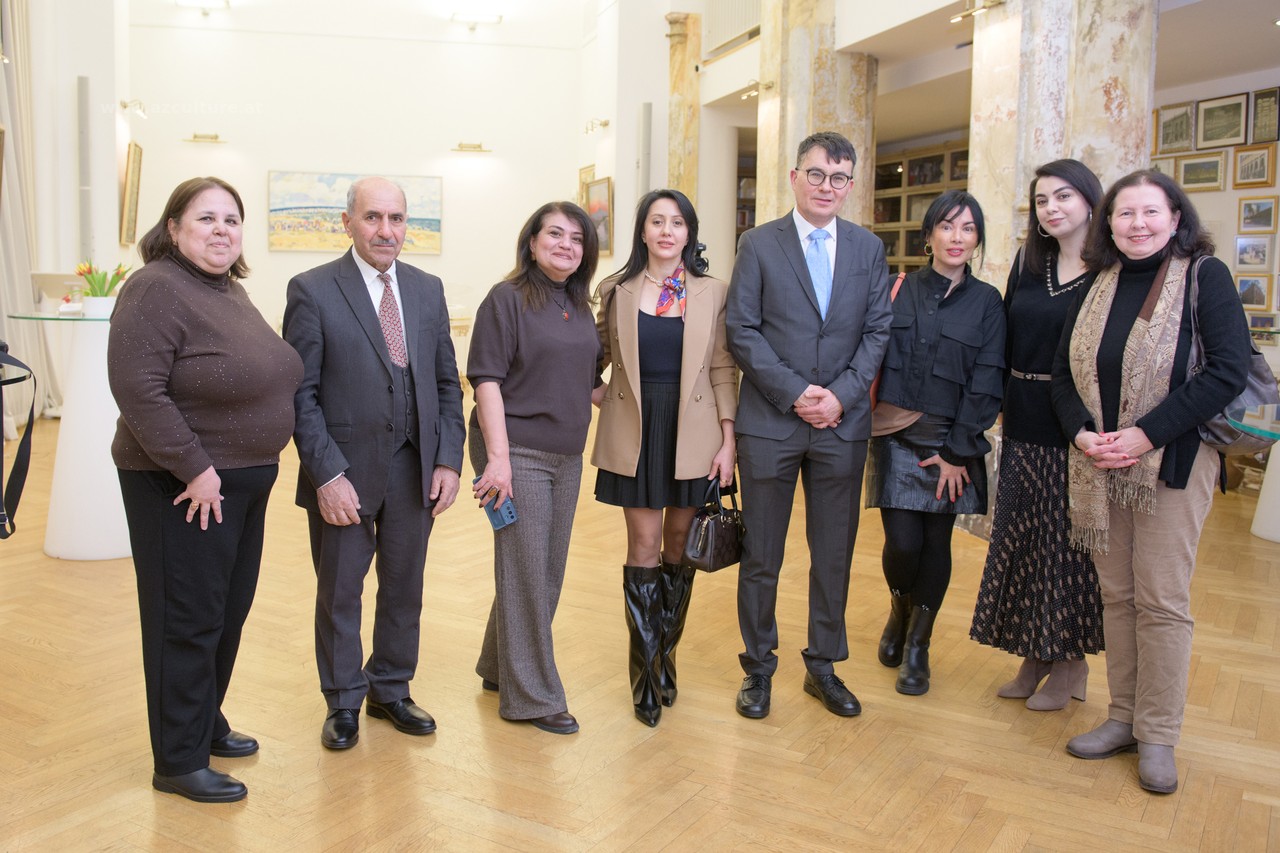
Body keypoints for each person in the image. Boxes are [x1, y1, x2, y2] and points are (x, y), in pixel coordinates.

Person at [1051, 170, 1250, 794]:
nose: (1137, 224)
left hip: (1172, 463)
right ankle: (1123, 718)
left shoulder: (1204, 276)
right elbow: (1063, 373)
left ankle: (1158, 733)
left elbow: (1226, 371)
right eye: (1125, 213)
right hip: (1099, 463)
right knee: (1118, 597)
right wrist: (1082, 434)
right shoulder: (1098, 284)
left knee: (1161, 601)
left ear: (1175, 217)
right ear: (1108, 223)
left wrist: (1145, 434)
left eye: (1150, 212)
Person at [109, 177, 303, 803]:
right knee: (186, 619)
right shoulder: (155, 287)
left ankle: (202, 721)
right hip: (184, 484)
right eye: (206, 218)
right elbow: (138, 388)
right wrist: (194, 467)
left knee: (226, 611)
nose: (222, 230)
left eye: (231, 219)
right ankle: (178, 759)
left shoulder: (227, 290)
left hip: (242, 482)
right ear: (173, 228)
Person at [283, 177, 465, 751]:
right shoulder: (312, 290)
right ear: (348, 222)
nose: (386, 230)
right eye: (373, 217)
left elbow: (447, 384)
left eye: (397, 218)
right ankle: (343, 700)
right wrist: (327, 475)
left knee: (405, 587)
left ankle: (390, 688)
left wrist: (448, 460)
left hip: (416, 469)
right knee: (341, 592)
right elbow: (300, 395)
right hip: (345, 472)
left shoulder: (428, 289)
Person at [726, 131, 893, 719]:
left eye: (839, 177)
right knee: (761, 556)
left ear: (851, 186)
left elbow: (878, 330)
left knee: (833, 554)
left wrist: (840, 397)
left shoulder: (868, 248)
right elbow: (741, 328)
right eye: (817, 174)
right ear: (795, 177)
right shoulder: (758, 243)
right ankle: (758, 668)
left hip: (840, 426)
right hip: (770, 422)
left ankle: (823, 666)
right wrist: (797, 393)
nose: (827, 186)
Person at [590, 190, 737, 727]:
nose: (667, 231)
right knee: (644, 546)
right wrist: (601, 395)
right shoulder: (616, 290)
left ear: (689, 233)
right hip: (637, 431)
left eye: (677, 222)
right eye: (657, 221)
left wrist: (729, 440)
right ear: (643, 231)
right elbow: (592, 355)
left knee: (679, 546)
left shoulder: (712, 291)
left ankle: (665, 654)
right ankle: (645, 677)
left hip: (693, 432)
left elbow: (722, 368)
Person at [969, 160, 1106, 710]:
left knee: (1066, 549)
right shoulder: (1031, 261)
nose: (1051, 208)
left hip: (1076, 425)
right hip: (1022, 416)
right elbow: (1006, 338)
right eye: (1042, 200)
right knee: (1024, 541)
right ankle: (1035, 654)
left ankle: (1070, 662)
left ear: (1090, 201)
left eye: (1063, 196)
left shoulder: (1109, 270)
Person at [468, 201, 602, 735]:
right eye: (555, 234)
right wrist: (498, 461)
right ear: (532, 241)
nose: (566, 245)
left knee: (544, 569)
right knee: (528, 570)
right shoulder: (506, 299)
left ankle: (497, 666)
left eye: (577, 238)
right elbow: (486, 381)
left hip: (566, 454)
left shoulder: (579, 303)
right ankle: (532, 696)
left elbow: (587, 383)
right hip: (515, 451)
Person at [866, 190, 1005, 696]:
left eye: (968, 228)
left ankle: (918, 644)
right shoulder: (895, 288)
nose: (956, 237)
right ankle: (899, 611)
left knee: (935, 544)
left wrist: (956, 452)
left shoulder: (988, 302)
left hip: (950, 443)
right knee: (902, 543)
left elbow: (987, 379)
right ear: (928, 236)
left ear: (977, 240)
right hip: (893, 435)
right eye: (947, 226)